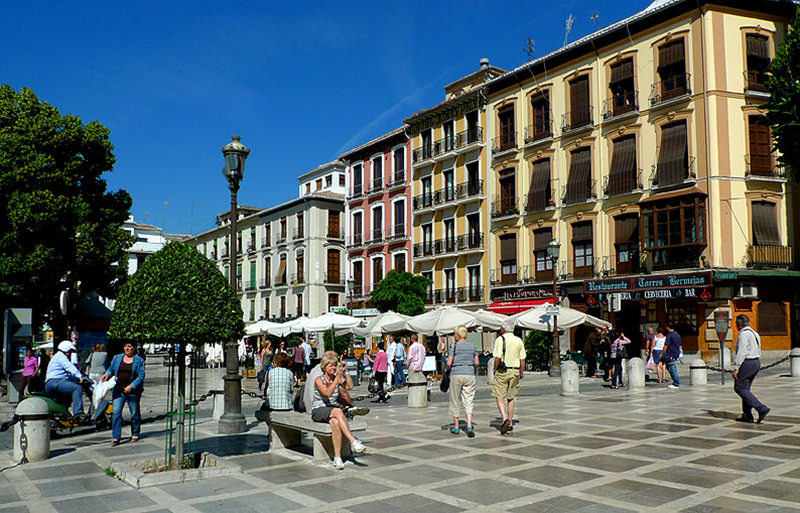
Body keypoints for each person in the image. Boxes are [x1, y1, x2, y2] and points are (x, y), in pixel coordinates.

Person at [311, 353, 366, 469]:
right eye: (330, 366)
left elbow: (350, 386)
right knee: (337, 411)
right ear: (324, 368)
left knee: (335, 423)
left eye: (335, 366)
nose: (333, 368)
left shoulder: (337, 378)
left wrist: (346, 373)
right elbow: (327, 393)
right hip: (319, 410)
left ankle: (337, 458)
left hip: (332, 410)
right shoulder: (319, 380)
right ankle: (353, 441)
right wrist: (336, 380)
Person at [101, 341, 146, 445]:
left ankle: (135, 433)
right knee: (116, 412)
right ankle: (116, 437)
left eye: (129, 346)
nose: (127, 348)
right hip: (118, 390)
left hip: (132, 391)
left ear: (134, 348)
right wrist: (107, 374)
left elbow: (141, 376)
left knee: (134, 413)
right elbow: (111, 369)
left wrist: (132, 386)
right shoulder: (117, 358)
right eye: (125, 346)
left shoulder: (139, 360)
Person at [732, 314, 770, 423]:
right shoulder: (755, 333)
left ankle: (761, 408)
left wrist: (736, 367)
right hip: (756, 361)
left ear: (740, 324)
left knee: (739, 387)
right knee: (745, 389)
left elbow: (742, 352)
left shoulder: (743, 335)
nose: (735, 326)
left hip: (747, 362)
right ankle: (748, 415)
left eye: (736, 324)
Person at [445, 326, 479, 437]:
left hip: (456, 373)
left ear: (458, 335)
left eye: (454, 334)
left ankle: (456, 427)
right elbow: (477, 363)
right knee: (468, 400)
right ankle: (469, 425)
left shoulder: (453, 346)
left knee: (455, 399)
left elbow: (449, 363)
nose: (454, 336)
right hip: (469, 374)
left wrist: (446, 369)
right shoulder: (473, 347)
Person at [492, 326, 526, 435]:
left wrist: (494, 369)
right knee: (511, 397)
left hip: (503, 370)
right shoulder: (519, 340)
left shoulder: (500, 339)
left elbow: (497, 357)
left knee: (499, 395)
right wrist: (521, 372)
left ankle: (505, 418)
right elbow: (523, 359)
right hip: (515, 370)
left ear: (504, 329)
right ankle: (510, 423)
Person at [45, 341, 87, 417]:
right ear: (66, 349)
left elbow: (66, 376)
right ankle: (78, 413)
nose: (70, 353)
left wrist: (78, 378)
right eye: (70, 351)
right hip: (55, 381)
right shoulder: (61, 356)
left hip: (53, 382)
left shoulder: (57, 357)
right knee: (77, 388)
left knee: (68, 394)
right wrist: (79, 375)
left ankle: (66, 415)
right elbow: (69, 366)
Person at [662, 323, 682, 389]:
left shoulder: (669, 335)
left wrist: (662, 353)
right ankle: (676, 381)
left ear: (668, 327)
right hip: (676, 353)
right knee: (672, 367)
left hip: (670, 353)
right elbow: (680, 345)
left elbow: (666, 345)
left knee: (672, 368)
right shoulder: (677, 335)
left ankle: (676, 383)